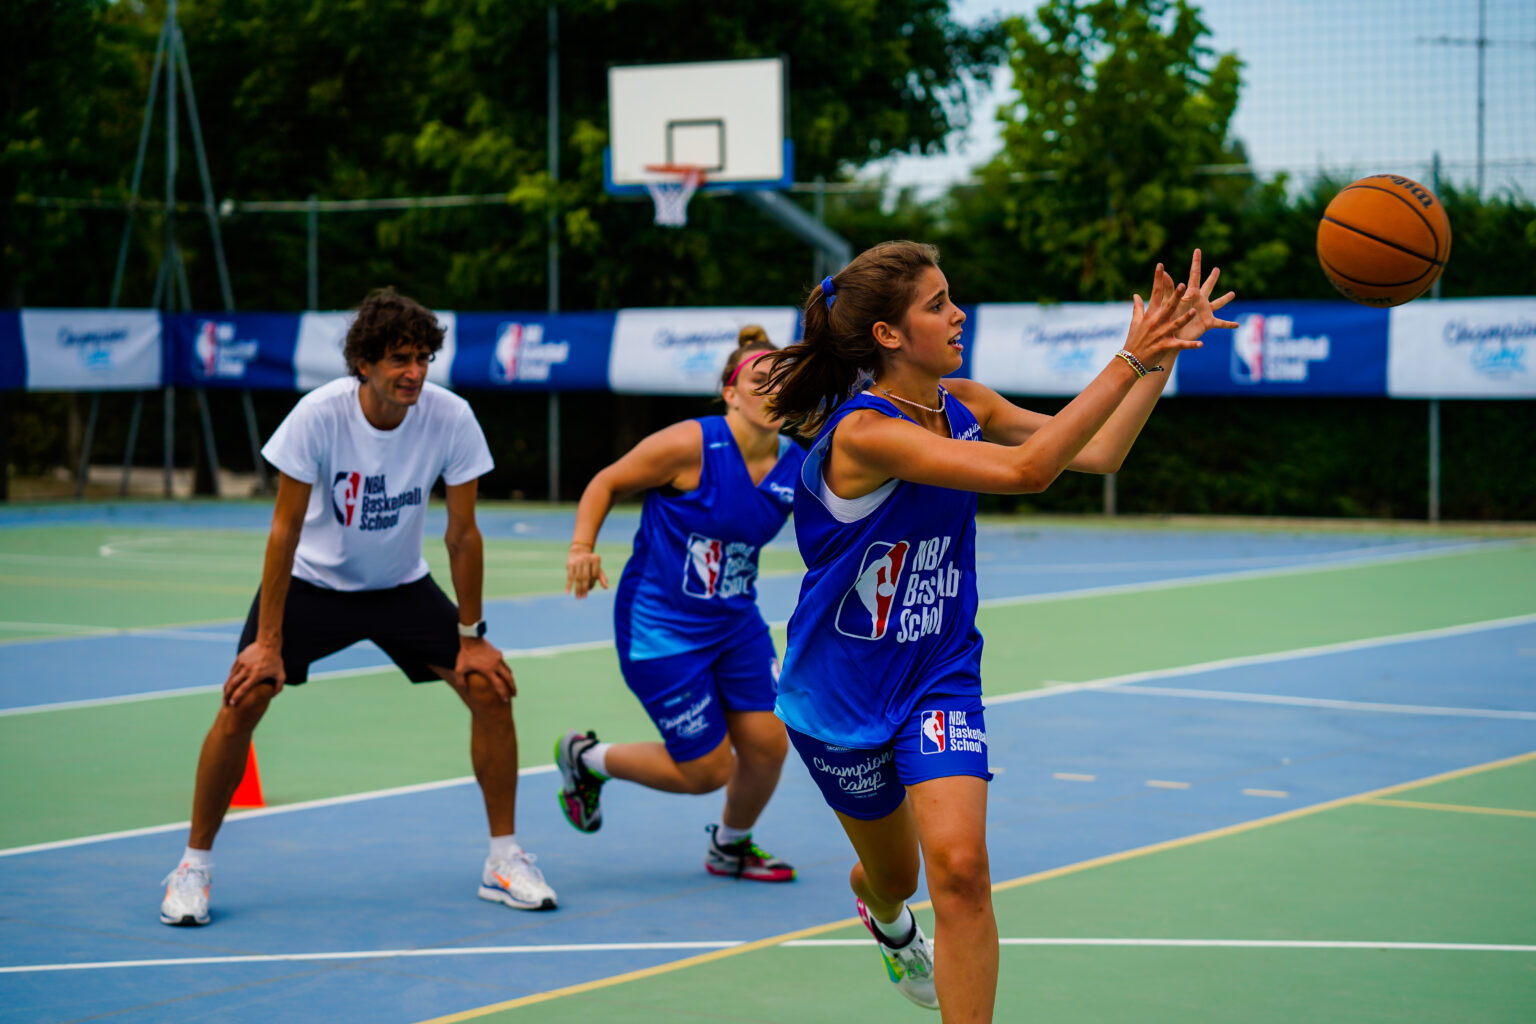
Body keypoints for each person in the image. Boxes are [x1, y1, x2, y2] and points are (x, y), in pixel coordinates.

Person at [759, 242, 1235, 1020]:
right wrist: (1128, 356)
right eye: (937, 304)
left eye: (952, 297)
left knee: (960, 871)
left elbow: (1101, 451)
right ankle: (884, 913)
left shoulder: (967, 402)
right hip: (839, 695)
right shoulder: (864, 434)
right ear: (887, 334)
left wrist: (1161, 355)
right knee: (897, 878)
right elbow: (1027, 471)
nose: (959, 314)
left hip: (939, 673)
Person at [158, 287, 556, 927]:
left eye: (423, 358)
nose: (415, 373)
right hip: (314, 585)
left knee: (489, 687)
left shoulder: (451, 418)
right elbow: (284, 531)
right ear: (364, 363)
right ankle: (192, 867)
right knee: (245, 697)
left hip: (400, 587)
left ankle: (504, 859)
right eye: (401, 359)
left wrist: (472, 635)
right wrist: (267, 643)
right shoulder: (318, 416)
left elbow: (462, 535)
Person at [556, 327, 806, 882]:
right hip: (661, 628)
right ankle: (586, 760)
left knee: (769, 745)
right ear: (730, 393)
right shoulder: (691, 446)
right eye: (760, 381)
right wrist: (581, 547)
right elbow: (606, 482)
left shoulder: (796, 464)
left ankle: (730, 847)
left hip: (735, 623)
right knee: (707, 771)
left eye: (784, 382)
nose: (774, 390)